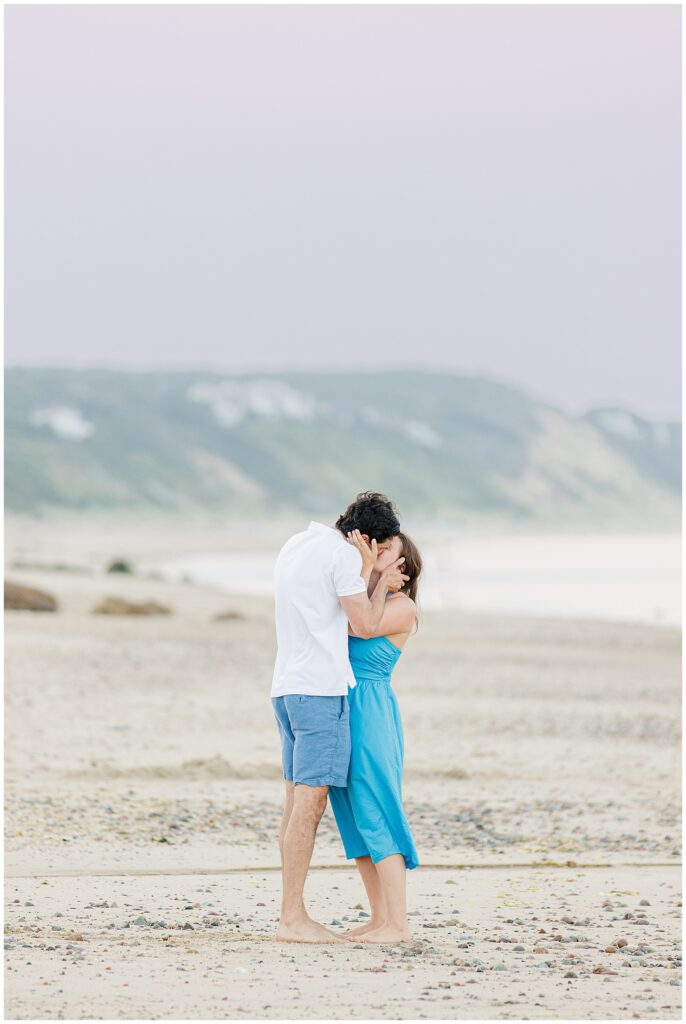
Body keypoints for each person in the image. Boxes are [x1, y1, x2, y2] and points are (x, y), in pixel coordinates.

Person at [270, 492, 409, 944]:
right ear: (366, 541)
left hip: (286, 687)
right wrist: (370, 571)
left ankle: (293, 914)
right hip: (319, 691)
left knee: (295, 803)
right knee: (309, 806)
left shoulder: (297, 544)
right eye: (382, 548)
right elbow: (364, 625)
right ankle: (293, 918)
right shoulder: (343, 559)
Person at [328, 529, 422, 944]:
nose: (375, 553)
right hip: (341, 707)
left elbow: (361, 628)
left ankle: (398, 925)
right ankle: (379, 918)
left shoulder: (403, 608)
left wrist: (378, 583)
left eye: (386, 551)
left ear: (403, 568)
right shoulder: (356, 596)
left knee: (377, 810)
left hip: (371, 713)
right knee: (353, 819)